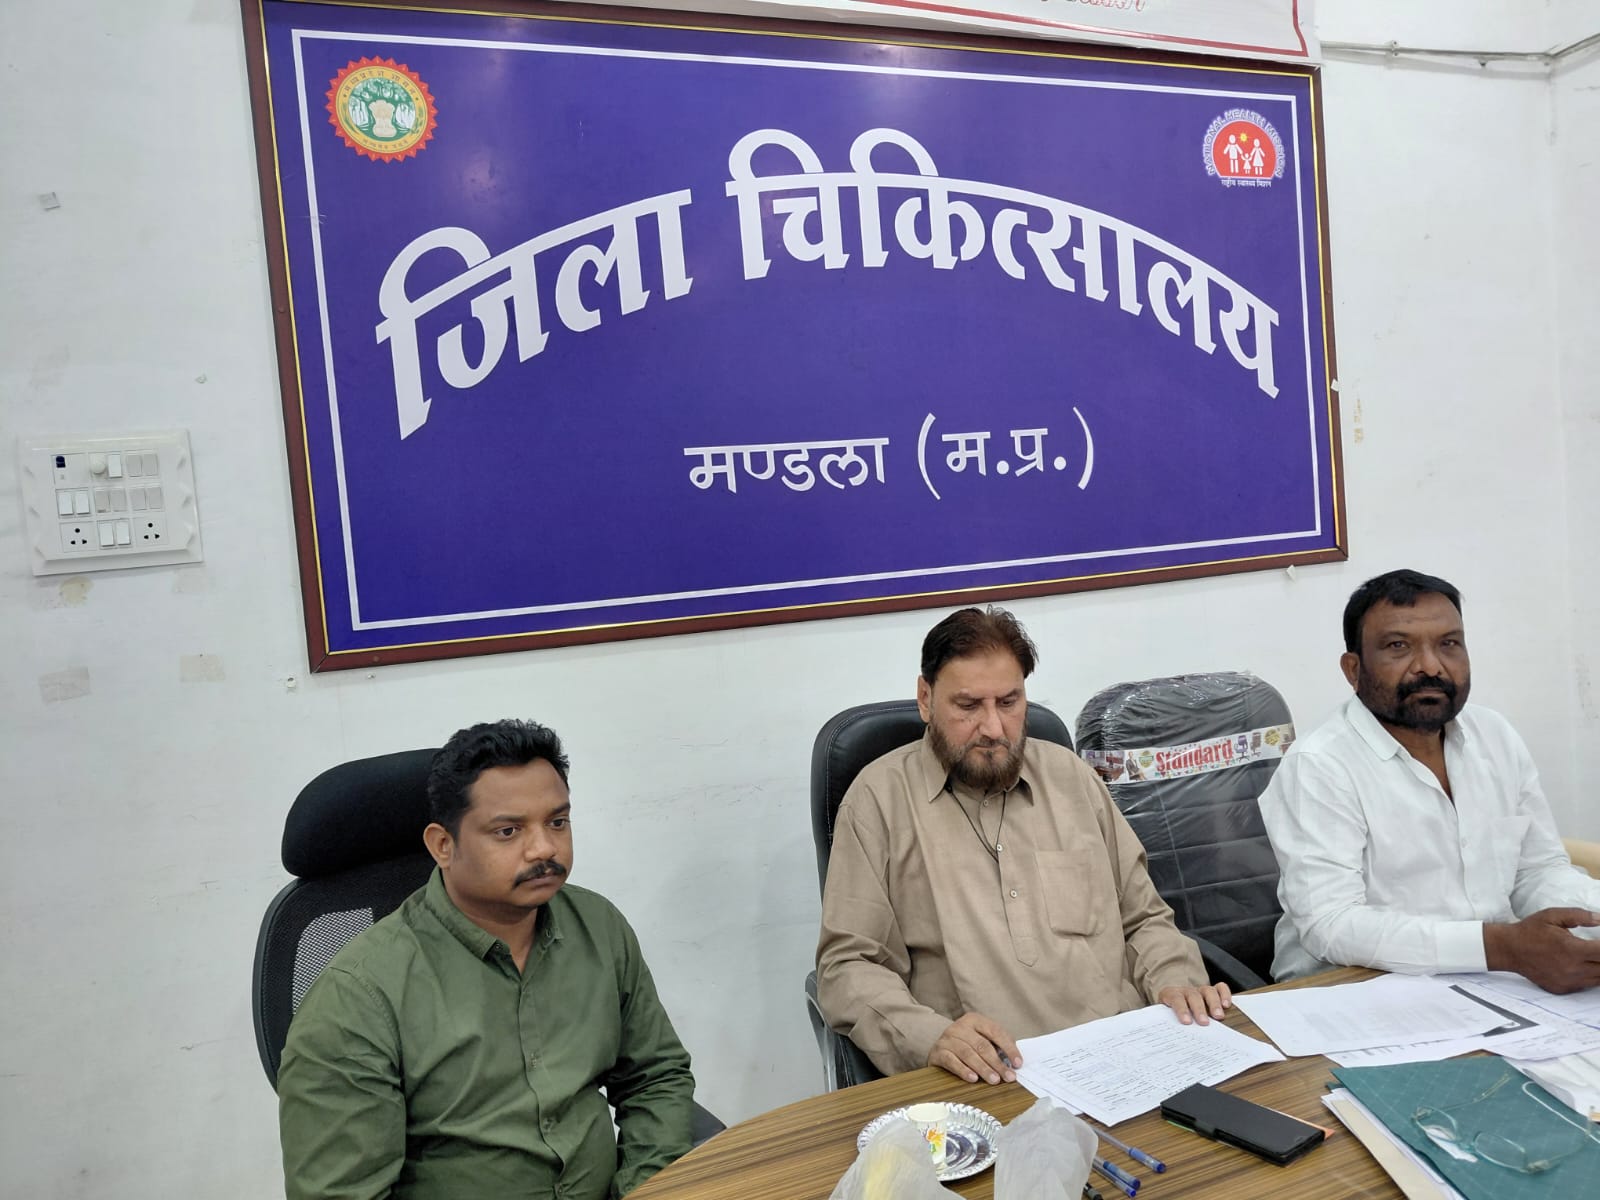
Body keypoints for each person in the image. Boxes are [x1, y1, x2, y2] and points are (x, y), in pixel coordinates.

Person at [278, 719, 694, 1200]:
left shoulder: (598, 926)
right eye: (508, 831)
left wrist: (645, 1187)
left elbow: (655, 1077)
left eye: (557, 822)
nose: (544, 848)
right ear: (443, 845)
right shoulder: (357, 996)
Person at [815, 606, 1230, 1085]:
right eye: (968, 706)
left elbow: (1143, 919)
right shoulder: (879, 801)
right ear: (925, 699)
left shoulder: (1071, 778)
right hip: (990, 1078)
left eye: (1009, 702)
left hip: (1129, 1056)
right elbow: (848, 967)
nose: (993, 728)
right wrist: (929, 1037)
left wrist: (1175, 978)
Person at [1260, 569, 1600, 992]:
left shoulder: (1494, 735)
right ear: (1353, 669)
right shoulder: (1318, 765)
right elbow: (1331, 925)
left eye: (1449, 644)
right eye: (1398, 646)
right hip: (1350, 989)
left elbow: (1536, 872)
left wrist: (1592, 914)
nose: (1430, 666)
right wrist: (1500, 947)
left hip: (1494, 980)